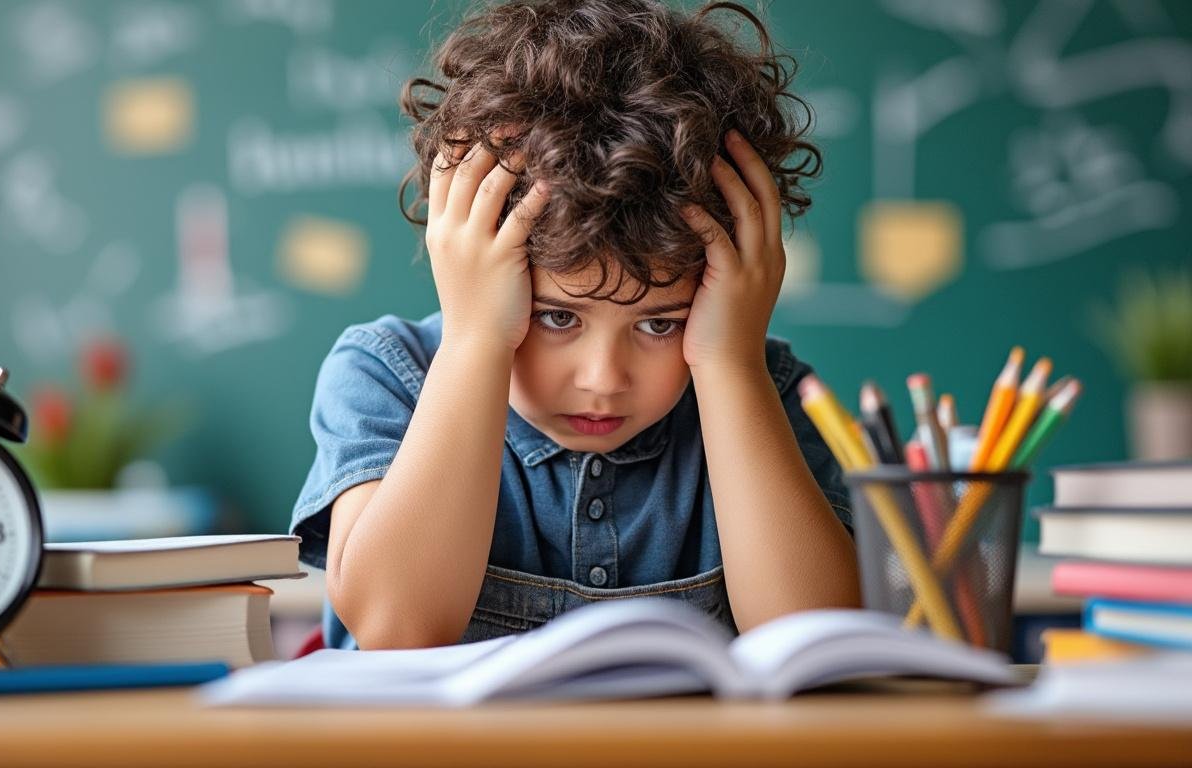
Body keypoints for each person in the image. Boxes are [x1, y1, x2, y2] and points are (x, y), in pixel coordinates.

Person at [292, 0, 860, 651]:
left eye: (660, 325)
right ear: (469, 266)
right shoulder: (385, 374)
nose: (603, 379)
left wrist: (732, 365)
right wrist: (476, 340)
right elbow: (396, 629)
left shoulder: (766, 388)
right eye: (558, 317)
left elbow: (814, 640)